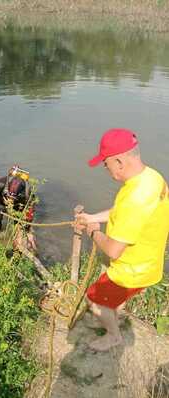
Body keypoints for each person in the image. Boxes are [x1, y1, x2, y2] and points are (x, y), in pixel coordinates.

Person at [76, 128, 169, 352]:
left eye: (105, 163)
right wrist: (92, 217)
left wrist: (92, 231)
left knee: (94, 300)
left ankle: (113, 336)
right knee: (110, 298)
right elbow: (122, 213)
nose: (105, 168)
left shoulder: (134, 198)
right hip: (150, 263)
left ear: (119, 161)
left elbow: (114, 250)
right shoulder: (151, 178)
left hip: (131, 271)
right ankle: (115, 310)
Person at [0, 165, 36, 250]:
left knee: (18, 225)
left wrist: (27, 225)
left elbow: (30, 209)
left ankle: (15, 242)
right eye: (9, 197)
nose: (10, 200)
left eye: (13, 198)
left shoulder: (27, 195)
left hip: (18, 206)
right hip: (1, 202)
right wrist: (0, 206)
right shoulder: (1, 183)